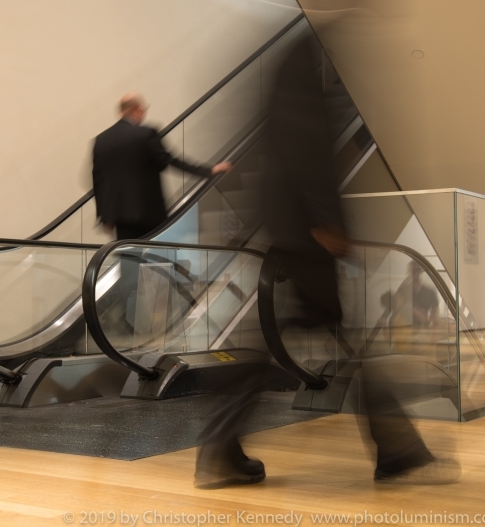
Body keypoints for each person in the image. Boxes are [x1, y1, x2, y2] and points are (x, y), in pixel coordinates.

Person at [194, 34, 460, 488]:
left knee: (301, 344)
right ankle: (397, 449)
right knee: (348, 343)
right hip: (305, 233)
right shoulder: (304, 67)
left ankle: (221, 450)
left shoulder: (286, 69)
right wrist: (326, 221)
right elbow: (308, 149)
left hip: (287, 227)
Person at [92, 93, 231, 240]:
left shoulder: (102, 140)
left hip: (120, 217)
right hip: (148, 212)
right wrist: (208, 170)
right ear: (138, 109)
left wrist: (105, 216)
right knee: (159, 254)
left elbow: (98, 180)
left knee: (129, 258)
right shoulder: (145, 134)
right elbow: (170, 161)